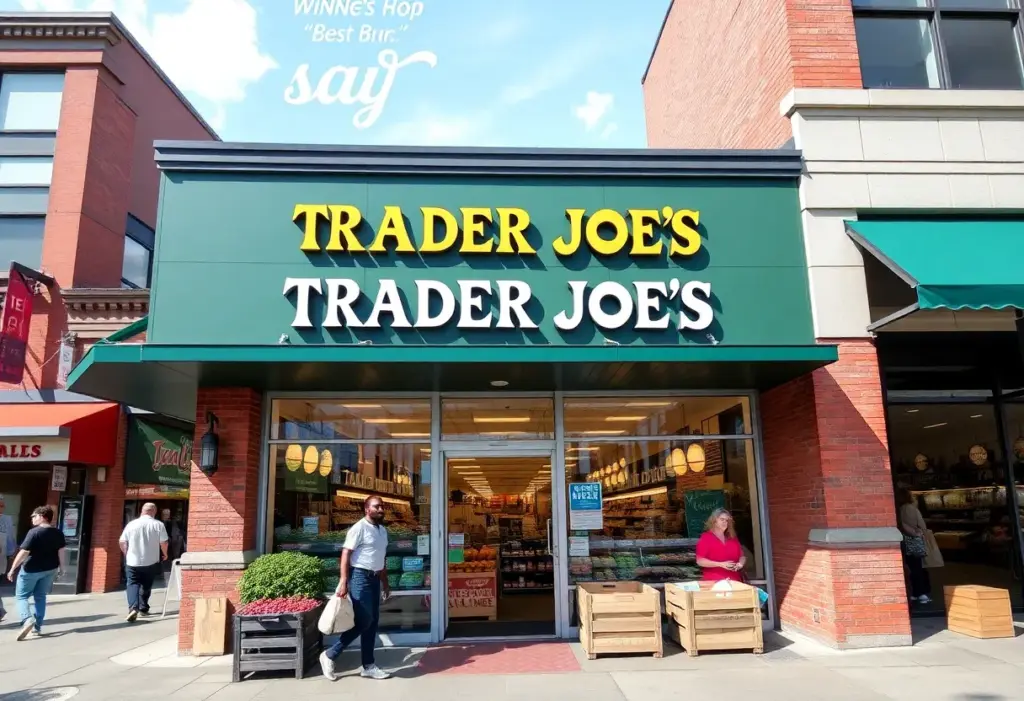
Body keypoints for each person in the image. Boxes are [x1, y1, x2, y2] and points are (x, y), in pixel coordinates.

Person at [320, 496, 392, 681]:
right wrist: (344, 580)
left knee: (372, 622)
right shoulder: (359, 528)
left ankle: (368, 665)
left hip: (374, 578)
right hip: (360, 577)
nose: (381, 509)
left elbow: (381, 557)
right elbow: (346, 553)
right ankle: (330, 654)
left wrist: (385, 582)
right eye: (376, 506)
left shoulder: (382, 530)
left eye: (382, 506)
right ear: (367, 509)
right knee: (364, 620)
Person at [7, 506, 66, 640]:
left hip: (31, 569)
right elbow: (61, 551)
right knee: (40, 596)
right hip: (50, 569)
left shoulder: (34, 533)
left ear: (42, 516)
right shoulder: (58, 533)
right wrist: (62, 568)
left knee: (21, 597)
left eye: (34, 516)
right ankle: (37, 627)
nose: (32, 518)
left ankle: (27, 619)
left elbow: (24, 552)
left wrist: (12, 569)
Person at [119, 502, 169, 621]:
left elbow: (122, 541)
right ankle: (143, 607)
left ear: (142, 511)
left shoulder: (131, 524)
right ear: (154, 511)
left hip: (132, 561)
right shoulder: (158, 524)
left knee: (132, 583)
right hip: (150, 560)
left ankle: (133, 608)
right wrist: (165, 554)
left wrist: (126, 553)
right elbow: (164, 542)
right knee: (146, 585)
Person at [897, 489, 932, 605]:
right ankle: (921, 593)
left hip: (905, 541)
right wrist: (919, 533)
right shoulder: (911, 509)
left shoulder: (899, 510)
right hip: (914, 541)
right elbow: (921, 525)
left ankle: (914, 593)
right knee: (918, 567)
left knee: (911, 567)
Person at [695, 508, 746, 582]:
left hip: (734, 580)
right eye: (722, 519)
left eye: (727, 520)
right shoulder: (706, 537)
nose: (725, 522)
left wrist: (740, 564)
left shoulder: (732, 537)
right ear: (714, 521)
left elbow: (742, 556)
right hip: (714, 581)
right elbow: (700, 561)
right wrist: (720, 564)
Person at [0, 494, 17, 622]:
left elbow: (10, 538)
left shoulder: (6, 519)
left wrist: (11, 553)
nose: (3, 507)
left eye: (2, 505)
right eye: (0, 505)